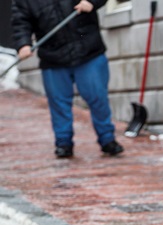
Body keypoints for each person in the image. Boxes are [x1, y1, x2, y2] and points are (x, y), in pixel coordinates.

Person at [11, 0, 124, 158]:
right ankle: (63, 143)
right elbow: (21, 20)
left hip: (87, 50)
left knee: (97, 97)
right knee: (58, 103)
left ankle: (107, 139)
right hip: (52, 56)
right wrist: (23, 44)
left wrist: (91, 2)